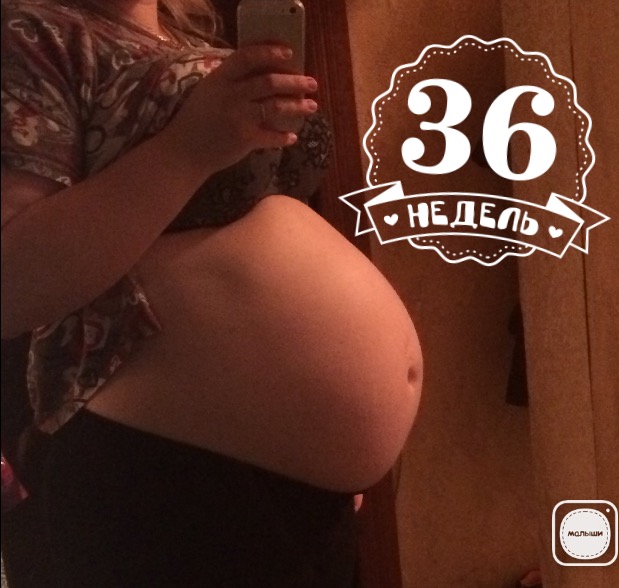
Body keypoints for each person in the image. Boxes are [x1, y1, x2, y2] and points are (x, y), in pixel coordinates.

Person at [1, 0, 424, 585]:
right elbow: (12, 285)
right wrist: (189, 146)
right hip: (166, 483)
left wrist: (313, 446)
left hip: (284, 486)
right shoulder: (28, 31)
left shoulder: (185, 37)